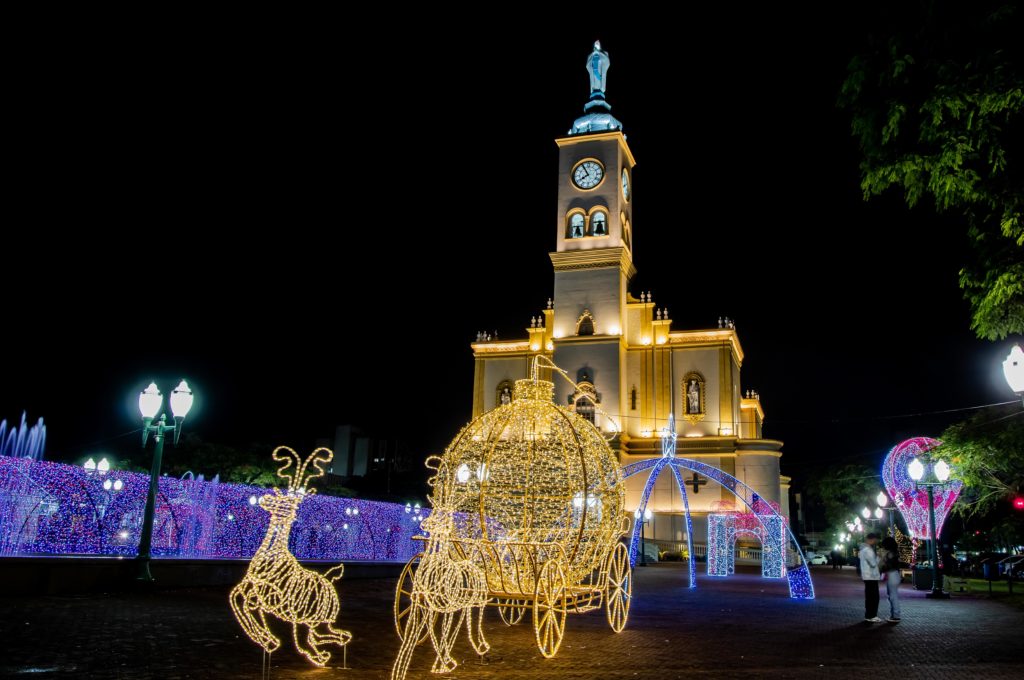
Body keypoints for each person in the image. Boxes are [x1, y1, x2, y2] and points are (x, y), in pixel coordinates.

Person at [878, 536, 906, 622]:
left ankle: (896, 615)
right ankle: (894, 615)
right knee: (892, 595)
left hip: (892, 575)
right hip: (895, 575)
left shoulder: (890, 554)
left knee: (893, 596)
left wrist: (882, 561)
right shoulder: (894, 553)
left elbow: (888, 566)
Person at [859, 532, 882, 622]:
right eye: (875, 540)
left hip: (866, 576)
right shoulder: (868, 550)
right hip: (871, 576)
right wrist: (878, 557)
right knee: (874, 597)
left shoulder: (863, 550)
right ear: (871, 539)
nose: (875, 541)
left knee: (869, 597)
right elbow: (873, 564)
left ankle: (868, 615)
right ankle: (872, 615)